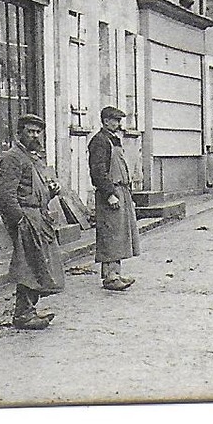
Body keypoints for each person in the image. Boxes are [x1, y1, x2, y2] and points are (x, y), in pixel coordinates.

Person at [0, 113, 65, 330]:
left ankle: (29, 310)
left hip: (39, 217)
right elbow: (4, 195)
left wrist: (50, 192)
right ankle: (23, 314)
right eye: (30, 131)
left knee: (38, 264)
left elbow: (33, 190)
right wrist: (20, 221)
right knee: (28, 267)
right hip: (27, 219)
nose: (34, 135)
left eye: (37, 132)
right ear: (19, 133)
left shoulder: (33, 158)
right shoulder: (13, 158)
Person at [89, 105, 140, 290]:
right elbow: (98, 172)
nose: (119, 124)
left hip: (121, 191)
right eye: (116, 120)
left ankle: (115, 273)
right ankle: (110, 277)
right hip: (110, 193)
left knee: (119, 235)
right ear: (105, 121)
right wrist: (109, 194)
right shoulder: (100, 141)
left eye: (119, 120)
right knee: (110, 234)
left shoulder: (113, 140)